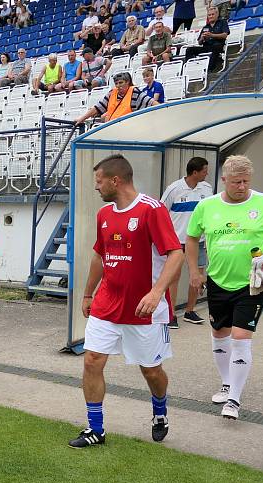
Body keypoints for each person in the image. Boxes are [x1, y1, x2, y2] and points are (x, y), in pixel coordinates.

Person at [74, 154, 183, 448]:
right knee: (92, 361)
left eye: (99, 181)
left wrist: (157, 291)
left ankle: (159, 410)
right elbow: (100, 255)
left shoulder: (152, 209)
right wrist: (87, 293)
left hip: (144, 309)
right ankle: (95, 429)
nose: (96, 187)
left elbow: (176, 254)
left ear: (115, 180)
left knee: (151, 371)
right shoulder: (104, 215)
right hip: (107, 303)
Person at [186, 155, 263, 420]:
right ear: (223, 180)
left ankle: (234, 400)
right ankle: (226, 383)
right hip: (217, 280)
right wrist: (194, 271)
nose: (241, 186)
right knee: (219, 333)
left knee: (240, 337)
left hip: (252, 282)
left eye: (246, 182)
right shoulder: (206, 206)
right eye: (236, 182)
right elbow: (191, 239)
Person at [161, 157, 213, 328]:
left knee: (196, 277)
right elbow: (161, 212)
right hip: (177, 242)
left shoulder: (207, 188)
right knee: (173, 277)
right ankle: (171, 314)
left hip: (199, 241)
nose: (207, 173)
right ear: (195, 172)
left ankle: (190, 311)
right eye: (205, 170)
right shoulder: (174, 189)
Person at [74, 72, 155, 124]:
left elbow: (151, 102)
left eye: (121, 83)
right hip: (110, 126)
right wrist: (82, 118)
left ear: (127, 82)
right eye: (116, 83)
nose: (118, 86)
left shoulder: (135, 92)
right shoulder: (112, 93)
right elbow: (97, 107)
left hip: (128, 127)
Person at [184, 6, 229, 73]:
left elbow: (225, 35)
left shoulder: (222, 22)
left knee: (215, 48)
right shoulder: (205, 27)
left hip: (218, 45)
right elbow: (199, 42)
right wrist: (202, 38)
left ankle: (209, 70)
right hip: (206, 46)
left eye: (212, 14)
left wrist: (212, 35)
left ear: (217, 14)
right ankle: (191, 68)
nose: (211, 16)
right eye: (209, 15)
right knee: (189, 50)